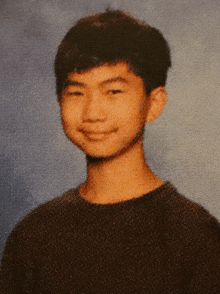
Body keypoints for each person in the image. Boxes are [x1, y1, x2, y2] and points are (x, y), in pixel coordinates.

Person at [1, 9, 220, 294]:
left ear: (153, 103)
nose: (93, 113)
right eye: (77, 92)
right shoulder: (34, 234)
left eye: (114, 91)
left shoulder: (195, 236)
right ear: (59, 100)